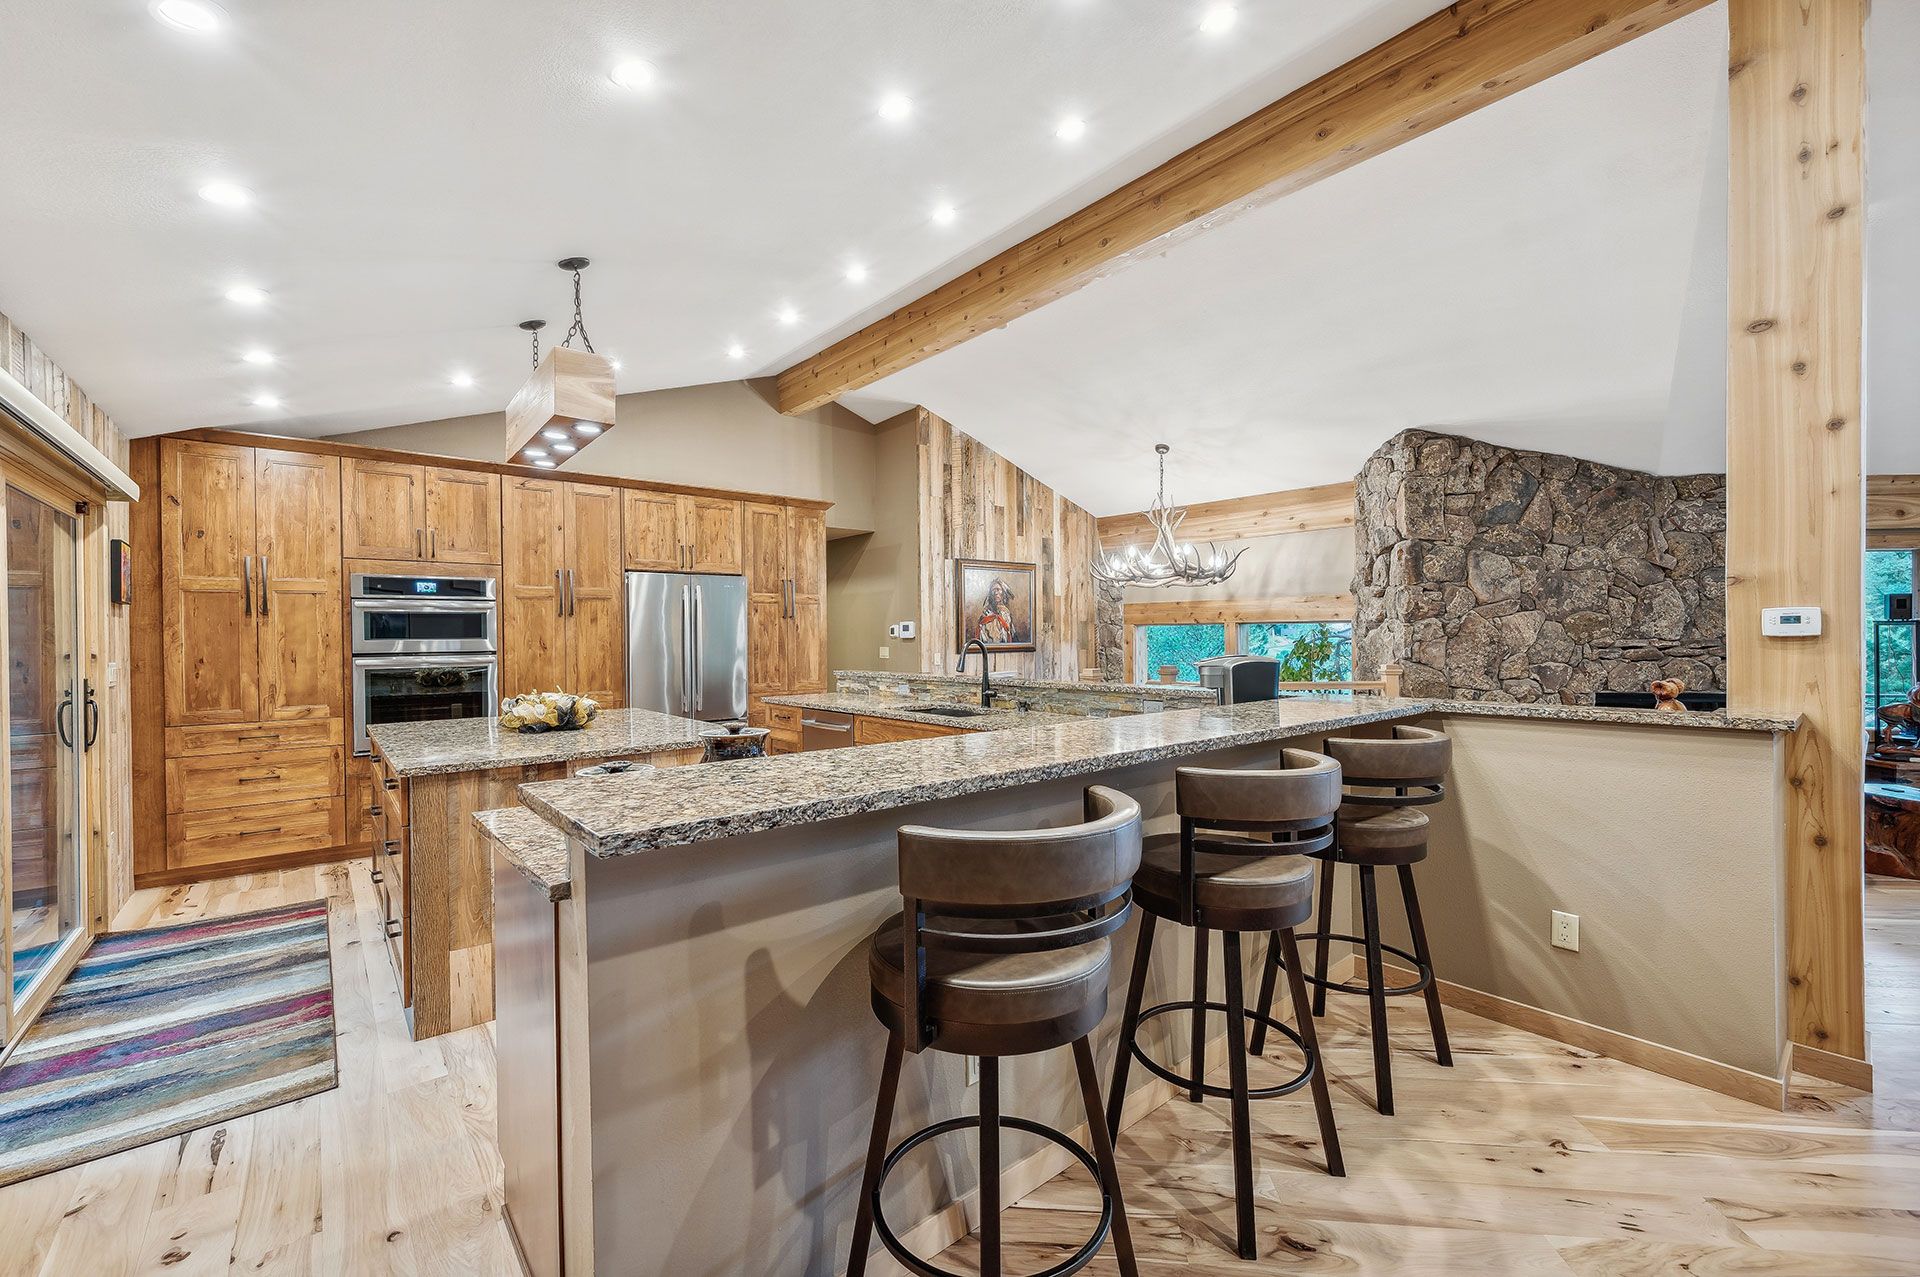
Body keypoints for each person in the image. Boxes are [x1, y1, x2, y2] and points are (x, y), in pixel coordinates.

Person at [975, 578, 1017, 644]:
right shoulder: (986, 614)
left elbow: (1011, 635)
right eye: (993, 590)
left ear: (1003, 592)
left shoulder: (1006, 613)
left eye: (998, 589)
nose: (996, 593)